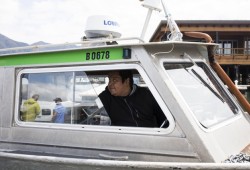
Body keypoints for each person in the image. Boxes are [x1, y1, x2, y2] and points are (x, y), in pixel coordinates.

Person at [98, 70, 167, 127]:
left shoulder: (147, 95)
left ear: (127, 81)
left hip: (150, 136)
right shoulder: (104, 98)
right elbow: (99, 121)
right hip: (121, 139)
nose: (110, 84)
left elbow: (164, 119)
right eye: (109, 80)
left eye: (115, 80)